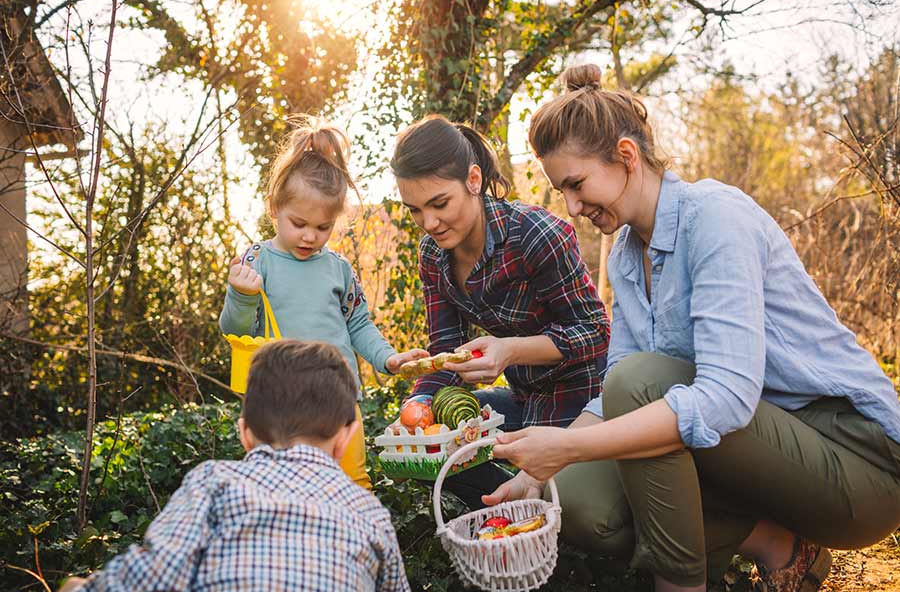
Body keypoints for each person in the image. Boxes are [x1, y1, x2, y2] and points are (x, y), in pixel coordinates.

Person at [484, 63, 900, 592]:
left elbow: (723, 395)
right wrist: (537, 473)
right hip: (755, 455)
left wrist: (571, 447)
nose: (572, 206)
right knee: (583, 502)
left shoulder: (715, 219)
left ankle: (679, 583)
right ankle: (776, 543)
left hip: (855, 462)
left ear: (626, 157)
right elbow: (615, 390)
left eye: (577, 184)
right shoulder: (627, 258)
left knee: (638, 385)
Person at [60, 340, 410, 592]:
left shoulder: (214, 481)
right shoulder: (368, 512)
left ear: (244, 433)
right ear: (345, 438)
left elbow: (155, 575)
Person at [390, 115, 610, 508]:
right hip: (524, 398)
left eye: (440, 204)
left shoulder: (534, 235)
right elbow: (445, 350)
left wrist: (509, 350)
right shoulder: (432, 257)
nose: (430, 223)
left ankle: (547, 506)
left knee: (575, 507)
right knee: (435, 456)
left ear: (473, 181)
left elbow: (595, 332)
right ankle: (515, 510)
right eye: (415, 210)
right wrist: (416, 409)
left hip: (583, 399)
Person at [219, 115, 427, 489]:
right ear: (273, 208)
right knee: (281, 490)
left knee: (352, 482)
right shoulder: (257, 262)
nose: (310, 236)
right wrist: (241, 295)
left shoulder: (339, 269)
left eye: (322, 228)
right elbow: (235, 331)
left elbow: (358, 324)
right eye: (298, 223)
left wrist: (388, 358)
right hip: (278, 403)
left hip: (338, 399)